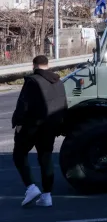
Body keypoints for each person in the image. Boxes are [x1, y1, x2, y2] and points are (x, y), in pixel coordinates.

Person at [11, 55, 67, 207]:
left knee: (19, 155)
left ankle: (31, 187)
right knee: (46, 159)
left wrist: (18, 122)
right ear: (47, 65)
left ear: (34, 65)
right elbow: (63, 104)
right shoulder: (58, 81)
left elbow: (23, 105)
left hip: (32, 126)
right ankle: (47, 196)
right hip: (50, 126)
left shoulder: (32, 81)